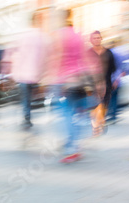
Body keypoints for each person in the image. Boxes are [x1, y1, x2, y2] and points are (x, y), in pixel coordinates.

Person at [45, 9, 102, 163]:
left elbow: (55, 58)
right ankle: (73, 143)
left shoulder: (58, 35)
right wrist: (94, 76)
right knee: (77, 112)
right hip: (79, 79)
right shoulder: (77, 35)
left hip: (63, 80)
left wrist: (50, 78)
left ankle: (71, 148)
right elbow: (85, 58)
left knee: (65, 114)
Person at [12, 11, 47, 129]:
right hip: (34, 74)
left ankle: (26, 117)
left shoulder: (24, 35)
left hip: (23, 74)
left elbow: (18, 55)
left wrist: (15, 72)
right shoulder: (41, 36)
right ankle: (27, 116)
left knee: (25, 98)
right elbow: (43, 57)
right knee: (30, 97)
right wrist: (42, 73)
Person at [87, 31, 116, 136]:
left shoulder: (108, 52)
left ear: (101, 39)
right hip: (92, 84)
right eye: (94, 38)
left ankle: (98, 122)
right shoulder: (88, 53)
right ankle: (97, 126)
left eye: (98, 38)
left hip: (106, 82)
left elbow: (113, 68)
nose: (97, 39)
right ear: (91, 40)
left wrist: (115, 79)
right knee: (96, 105)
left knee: (104, 105)